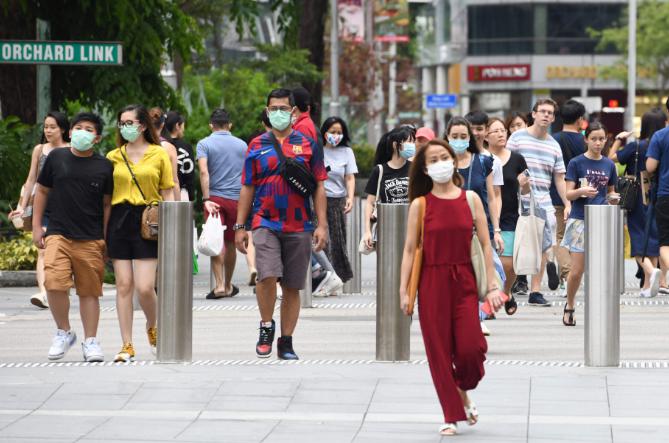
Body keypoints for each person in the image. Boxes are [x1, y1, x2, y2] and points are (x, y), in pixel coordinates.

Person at [399, 139, 502, 436]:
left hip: (464, 280)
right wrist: (403, 290)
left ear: (454, 160)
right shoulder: (420, 204)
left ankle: (462, 387)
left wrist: (492, 283)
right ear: (425, 169)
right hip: (431, 283)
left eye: (444, 156)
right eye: (433, 159)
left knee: (472, 348)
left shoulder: (470, 199)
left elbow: (484, 242)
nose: (441, 162)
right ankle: (451, 414)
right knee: (439, 352)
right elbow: (409, 250)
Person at [234, 88, 328, 360]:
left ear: (293, 112)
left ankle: (286, 341)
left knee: (292, 285)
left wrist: (322, 225)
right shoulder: (256, 145)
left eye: (283, 109)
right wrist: (240, 227)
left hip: (299, 224)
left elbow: (319, 186)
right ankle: (266, 326)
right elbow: (247, 186)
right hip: (264, 221)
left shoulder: (309, 143)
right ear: (267, 111)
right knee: (267, 274)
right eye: (272, 108)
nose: (278, 113)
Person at [31, 112, 113, 362]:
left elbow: (107, 204)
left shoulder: (105, 166)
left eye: (89, 129)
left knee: (89, 292)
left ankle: (90, 341)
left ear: (97, 138)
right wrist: (36, 226)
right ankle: (64, 331)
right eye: (78, 127)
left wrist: (106, 238)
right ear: (70, 132)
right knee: (53, 283)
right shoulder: (57, 157)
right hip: (58, 233)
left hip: (90, 237)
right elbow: (42, 190)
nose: (82, 132)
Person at [106, 104, 175, 362]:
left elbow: (167, 190)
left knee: (145, 287)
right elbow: (106, 196)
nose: (125, 127)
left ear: (143, 125)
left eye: (130, 122)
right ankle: (127, 344)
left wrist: (171, 226)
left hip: (148, 220)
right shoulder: (113, 156)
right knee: (124, 285)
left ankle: (153, 325)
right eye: (121, 123)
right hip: (119, 219)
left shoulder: (159, 153)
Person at [507, 99, 570, 307]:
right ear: (533, 114)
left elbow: (559, 178)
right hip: (518, 200)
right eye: (542, 111)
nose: (546, 115)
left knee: (544, 246)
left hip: (543, 201)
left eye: (550, 113)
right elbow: (507, 165)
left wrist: (567, 203)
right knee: (516, 244)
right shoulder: (517, 138)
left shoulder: (554, 145)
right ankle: (509, 288)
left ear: (553, 118)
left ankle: (535, 291)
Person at [9, 111, 70, 309]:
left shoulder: (71, 150)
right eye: (46, 127)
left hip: (66, 209)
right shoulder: (39, 149)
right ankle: (44, 293)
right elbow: (31, 179)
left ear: (63, 128)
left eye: (52, 127)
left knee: (63, 251)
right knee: (42, 251)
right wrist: (22, 206)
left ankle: (58, 289)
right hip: (41, 208)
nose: (48, 130)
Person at [561, 122, 619, 326]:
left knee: (602, 269)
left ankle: (600, 310)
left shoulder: (609, 165)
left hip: (602, 219)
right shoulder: (576, 163)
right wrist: (581, 192)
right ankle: (570, 304)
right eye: (593, 138)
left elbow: (610, 191)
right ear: (586, 139)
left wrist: (614, 197)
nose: (598, 143)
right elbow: (568, 193)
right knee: (577, 270)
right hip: (580, 220)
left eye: (601, 139)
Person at [610, 110, 667, 297]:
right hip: (656, 195)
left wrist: (619, 139)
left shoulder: (636, 146)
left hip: (636, 198)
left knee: (636, 238)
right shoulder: (662, 141)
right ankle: (647, 286)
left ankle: (650, 272)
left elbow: (611, 158)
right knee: (654, 238)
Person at [197, 108, 247, 299]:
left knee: (215, 239)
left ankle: (218, 285)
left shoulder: (204, 144)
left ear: (211, 125)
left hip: (215, 198)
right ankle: (227, 285)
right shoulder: (243, 145)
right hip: (237, 199)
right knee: (231, 243)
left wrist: (206, 198)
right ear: (230, 125)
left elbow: (203, 172)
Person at [485, 117, 529, 314]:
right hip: (485, 216)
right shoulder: (482, 159)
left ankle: (506, 292)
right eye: (496, 131)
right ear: (486, 136)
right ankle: (489, 303)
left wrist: (525, 184)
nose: (502, 134)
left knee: (509, 265)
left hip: (510, 216)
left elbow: (527, 191)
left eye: (503, 130)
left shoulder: (517, 158)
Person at [549, 100, 587, 293]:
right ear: (580, 119)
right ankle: (573, 274)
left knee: (562, 237)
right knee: (580, 239)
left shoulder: (552, 139)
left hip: (557, 195)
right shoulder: (585, 141)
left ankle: (567, 275)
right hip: (583, 197)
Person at [362, 126, 415, 250]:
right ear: (396, 144)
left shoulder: (415, 169)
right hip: (386, 230)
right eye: (409, 141)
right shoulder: (380, 171)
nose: (413, 145)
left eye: (414, 142)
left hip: (411, 228)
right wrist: (367, 231)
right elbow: (370, 202)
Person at [320, 116, 357, 284]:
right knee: (321, 239)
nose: (336, 135)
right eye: (332, 132)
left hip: (338, 200)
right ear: (324, 132)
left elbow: (349, 177)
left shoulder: (347, 152)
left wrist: (350, 197)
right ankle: (323, 276)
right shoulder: (318, 150)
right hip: (319, 199)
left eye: (339, 132)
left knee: (338, 240)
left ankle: (338, 277)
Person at [505, 111, 530, 296]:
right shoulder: (497, 156)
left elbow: (528, 181)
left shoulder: (520, 158)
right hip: (501, 208)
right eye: (512, 126)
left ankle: (521, 280)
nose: (515, 130)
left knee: (518, 247)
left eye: (519, 125)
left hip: (520, 206)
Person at [645, 97, 669, 295]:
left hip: (665, 195)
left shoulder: (660, 136)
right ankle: (663, 281)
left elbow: (650, 167)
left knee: (665, 242)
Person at [149, 107, 181, 201]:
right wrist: (177, 208)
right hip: (164, 201)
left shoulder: (140, 146)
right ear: (163, 124)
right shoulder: (169, 148)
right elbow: (175, 182)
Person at [165, 111, 195, 202]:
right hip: (181, 193)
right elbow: (189, 173)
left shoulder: (159, 145)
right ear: (177, 126)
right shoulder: (186, 147)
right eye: (183, 126)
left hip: (162, 193)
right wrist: (191, 196)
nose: (183, 129)